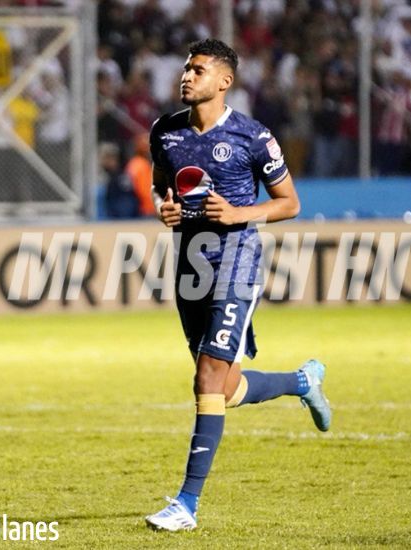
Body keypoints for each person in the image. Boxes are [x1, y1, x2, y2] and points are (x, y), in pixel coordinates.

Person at [144, 38, 332, 532]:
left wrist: (240, 213)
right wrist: (163, 206)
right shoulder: (164, 132)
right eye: (186, 68)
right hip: (189, 267)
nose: (187, 76)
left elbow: (289, 202)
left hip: (236, 264)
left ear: (224, 82)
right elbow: (162, 185)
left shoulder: (252, 136)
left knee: (206, 380)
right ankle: (301, 381)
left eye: (198, 70)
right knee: (222, 389)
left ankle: (187, 503)